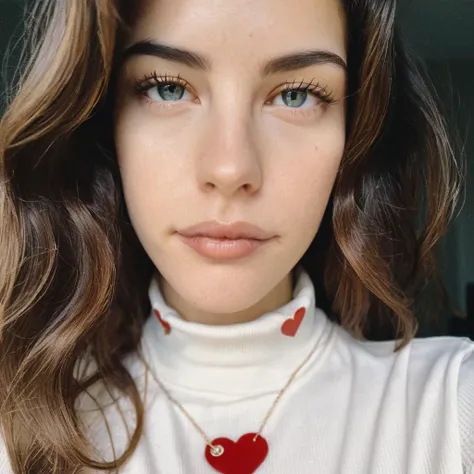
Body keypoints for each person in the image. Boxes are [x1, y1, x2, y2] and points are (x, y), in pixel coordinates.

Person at [0, 0, 472, 472]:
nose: (230, 169)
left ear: (355, 134)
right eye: (167, 88)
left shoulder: (450, 409)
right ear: (103, 122)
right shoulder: (19, 430)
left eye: (296, 95)